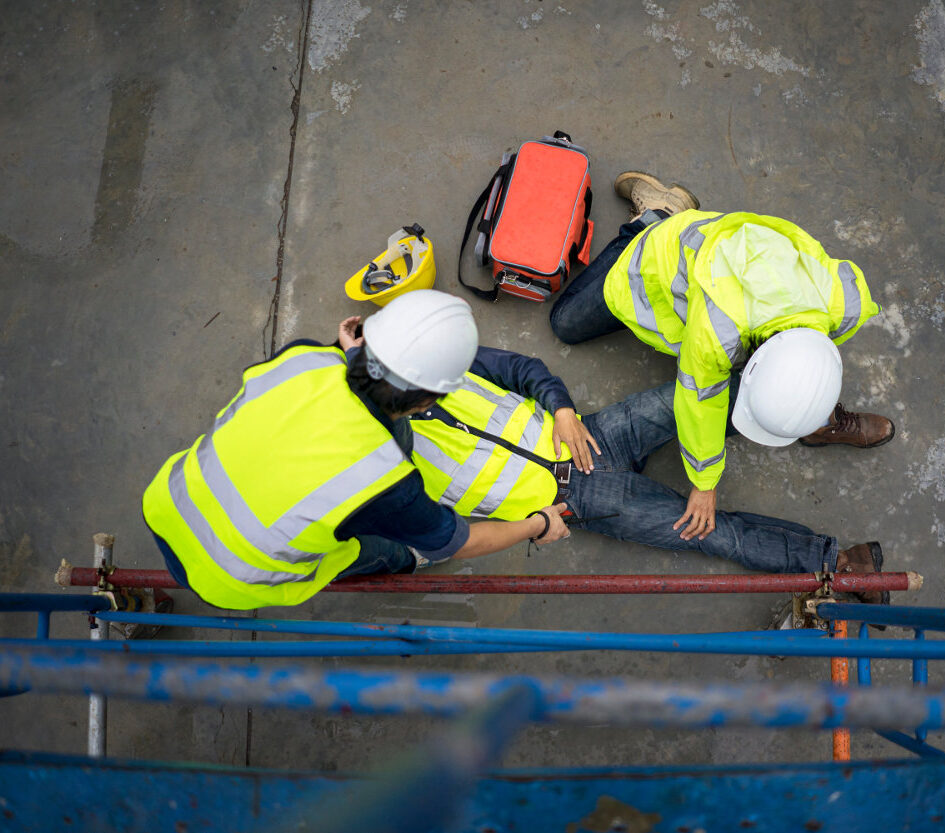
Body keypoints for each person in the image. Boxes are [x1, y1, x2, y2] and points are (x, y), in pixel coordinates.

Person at [141, 290, 569, 610]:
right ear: (426, 403)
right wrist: (537, 524)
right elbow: (460, 542)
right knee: (381, 547)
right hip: (232, 577)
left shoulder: (303, 356)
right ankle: (405, 559)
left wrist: (351, 357)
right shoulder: (386, 479)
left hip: (168, 501)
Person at [550, 172, 896, 543]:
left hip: (725, 266)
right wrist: (704, 483)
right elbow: (699, 403)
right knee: (566, 324)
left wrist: (810, 398)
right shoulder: (717, 333)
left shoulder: (846, 302)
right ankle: (657, 214)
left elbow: (814, 359)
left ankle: (818, 420)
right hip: (655, 261)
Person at [407, 344, 887, 601]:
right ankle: (840, 564)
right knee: (714, 533)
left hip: (592, 434)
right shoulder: (382, 473)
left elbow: (520, 369)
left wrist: (562, 410)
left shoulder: (422, 361)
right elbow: (446, 540)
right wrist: (537, 525)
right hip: (577, 501)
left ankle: (808, 419)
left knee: (701, 397)